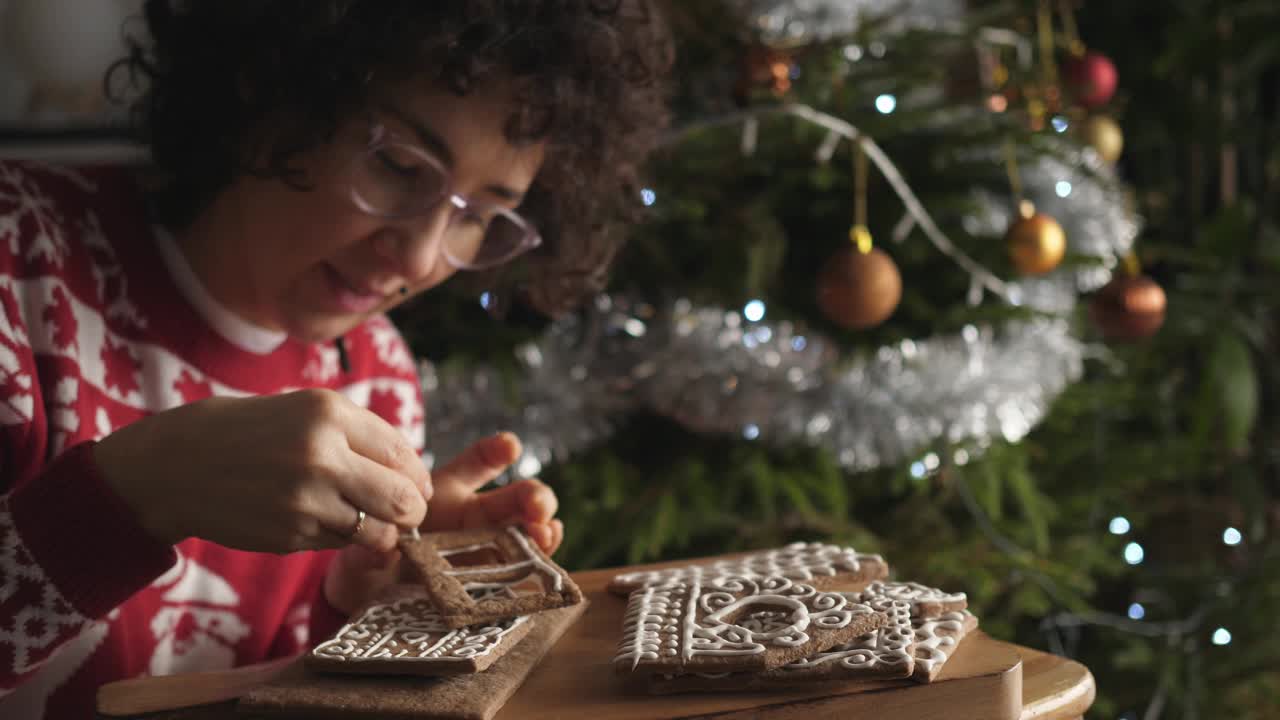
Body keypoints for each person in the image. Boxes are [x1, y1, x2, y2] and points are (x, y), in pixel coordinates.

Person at [0, 1, 670, 716]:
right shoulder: (19, 264)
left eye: (477, 216)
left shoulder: (380, 377)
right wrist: (135, 495)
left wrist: (363, 607)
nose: (418, 256)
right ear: (271, 84)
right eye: (398, 166)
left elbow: (251, 694)